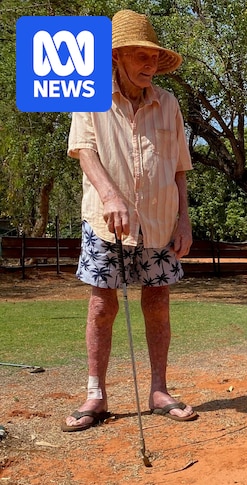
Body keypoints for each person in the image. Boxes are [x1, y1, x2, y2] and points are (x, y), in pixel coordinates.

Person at [62, 9, 197, 432]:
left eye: (154, 57)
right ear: (116, 57)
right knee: (103, 304)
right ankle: (95, 396)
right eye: (140, 56)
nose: (150, 64)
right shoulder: (89, 96)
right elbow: (84, 150)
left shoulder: (168, 103)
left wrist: (184, 220)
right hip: (107, 223)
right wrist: (109, 194)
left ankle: (159, 390)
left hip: (159, 221)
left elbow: (178, 167)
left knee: (157, 302)